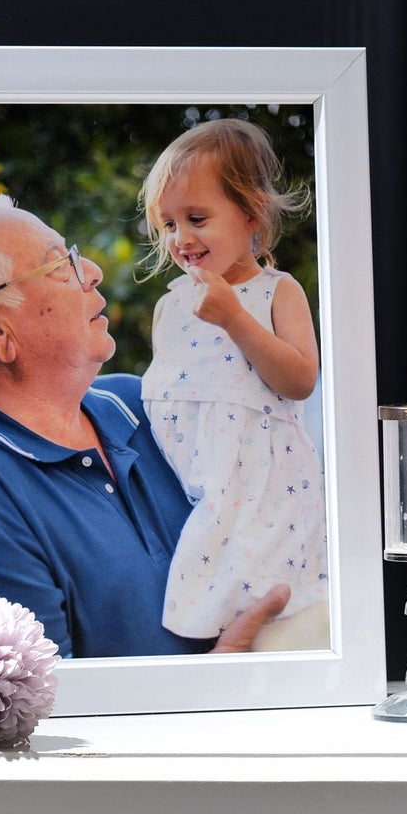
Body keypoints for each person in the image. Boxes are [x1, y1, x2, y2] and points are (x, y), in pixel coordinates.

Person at [0, 195, 289, 657]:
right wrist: (226, 668)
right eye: (58, 265)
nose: (90, 270)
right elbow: (54, 715)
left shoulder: (142, 402)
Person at [138, 119, 328, 650]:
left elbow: (299, 380)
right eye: (169, 224)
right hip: (195, 483)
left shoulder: (276, 291)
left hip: (262, 485)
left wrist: (235, 320)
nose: (181, 238)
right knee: (203, 597)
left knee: (267, 599)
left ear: (251, 215)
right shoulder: (171, 305)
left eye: (197, 218)